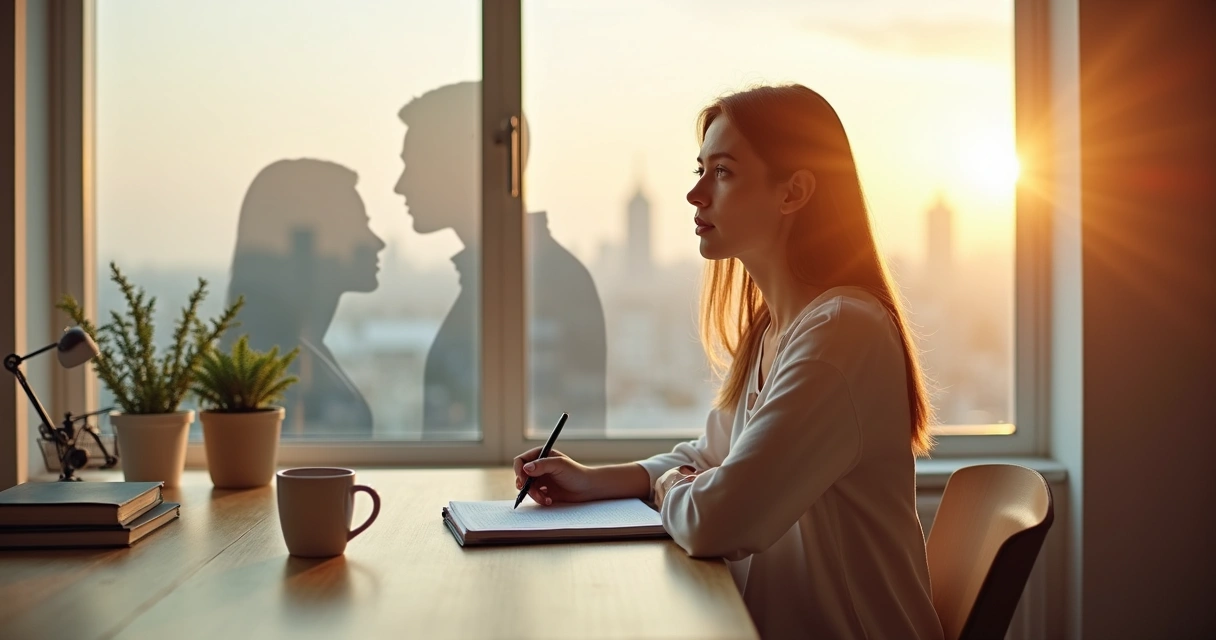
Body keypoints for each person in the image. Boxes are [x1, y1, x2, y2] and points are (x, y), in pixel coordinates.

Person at [512, 84, 944, 639]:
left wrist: (673, 487)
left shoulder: (841, 334)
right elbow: (713, 455)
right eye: (700, 169)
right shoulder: (776, 327)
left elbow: (718, 519)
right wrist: (596, 481)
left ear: (794, 192)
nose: (694, 194)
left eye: (722, 172)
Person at [393, 81, 607, 439]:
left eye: (413, 165)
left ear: (458, 167)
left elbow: (570, 441)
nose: (401, 185)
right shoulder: (516, 277)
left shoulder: (549, 284)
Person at [225, 158, 385, 437]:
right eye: (360, 225)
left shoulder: (300, 346)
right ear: (311, 242)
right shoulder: (273, 360)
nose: (377, 242)